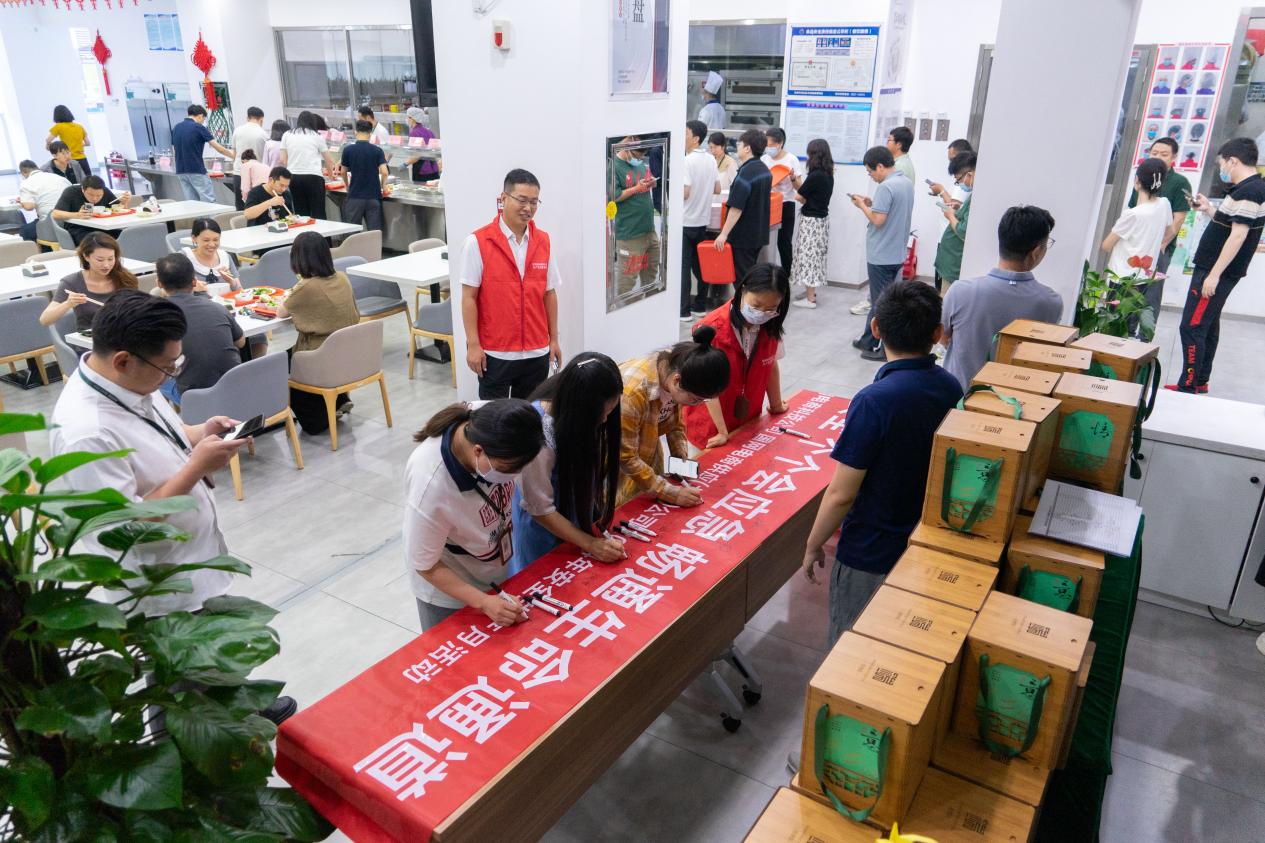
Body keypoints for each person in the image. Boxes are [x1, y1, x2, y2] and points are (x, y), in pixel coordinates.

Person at [48, 290, 296, 724]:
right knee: (179, 695)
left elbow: (163, 432)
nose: (171, 373)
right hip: (158, 583)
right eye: (167, 367)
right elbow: (121, 531)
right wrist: (195, 467)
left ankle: (239, 700)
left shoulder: (132, 383)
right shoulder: (86, 433)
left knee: (213, 646)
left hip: (192, 556)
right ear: (123, 360)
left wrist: (199, 432)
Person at [802, 281, 963, 643]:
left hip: (871, 552)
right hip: (924, 542)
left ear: (875, 327)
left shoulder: (874, 401)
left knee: (852, 647)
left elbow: (841, 493)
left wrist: (814, 543)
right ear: (937, 333)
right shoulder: (951, 387)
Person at [405, 399, 545, 630]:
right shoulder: (430, 485)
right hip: (449, 590)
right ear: (478, 451)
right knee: (460, 650)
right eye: (507, 469)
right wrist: (483, 602)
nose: (514, 476)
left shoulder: (495, 423)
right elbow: (425, 565)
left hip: (491, 568)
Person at [508, 352, 627, 575]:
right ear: (580, 406)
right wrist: (590, 544)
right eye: (603, 413)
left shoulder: (572, 405)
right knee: (545, 581)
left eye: (611, 412)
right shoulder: (536, 436)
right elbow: (541, 510)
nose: (604, 420)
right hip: (543, 527)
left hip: (573, 513)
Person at [1173, 137, 1265, 393]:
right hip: (1215, 269)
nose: (1222, 169)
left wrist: (1213, 275)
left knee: (1192, 326)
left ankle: (1188, 384)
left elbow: (1238, 236)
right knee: (1208, 325)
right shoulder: (1248, 189)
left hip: (1215, 271)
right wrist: (1208, 209)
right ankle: (1200, 381)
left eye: (1222, 163)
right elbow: (1231, 224)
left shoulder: (1249, 192)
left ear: (1233, 161)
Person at [461, 168, 562, 400]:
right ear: (503, 198)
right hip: (495, 353)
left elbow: (549, 293)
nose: (528, 208)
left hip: (537, 352)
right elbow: (469, 298)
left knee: (530, 414)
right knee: (493, 417)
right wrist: (473, 345)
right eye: (522, 200)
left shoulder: (543, 241)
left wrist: (554, 339)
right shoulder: (477, 242)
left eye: (534, 202)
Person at [941, 205, 1063, 389]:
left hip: (960, 400)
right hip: (1016, 402)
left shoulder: (960, 292)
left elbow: (943, 338)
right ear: (1036, 252)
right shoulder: (1051, 302)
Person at [617, 326, 730, 507]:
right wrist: (671, 494)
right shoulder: (632, 394)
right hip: (613, 466)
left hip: (646, 453)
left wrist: (681, 461)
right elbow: (626, 458)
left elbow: (675, 423)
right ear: (677, 380)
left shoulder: (678, 366)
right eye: (695, 399)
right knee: (621, 511)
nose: (696, 404)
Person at [684, 264, 789, 449]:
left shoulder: (771, 325)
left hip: (748, 420)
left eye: (771, 308)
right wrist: (722, 431)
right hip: (711, 427)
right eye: (756, 305)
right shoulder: (711, 329)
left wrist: (776, 404)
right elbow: (704, 386)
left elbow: (770, 363)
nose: (762, 314)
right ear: (743, 289)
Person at [275, 232, 361, 433]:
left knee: (280, 363)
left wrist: (293, 290)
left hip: (320, 355)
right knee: (299, 352)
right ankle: (339, 400)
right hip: (348, 349)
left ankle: (317, 417)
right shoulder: (342, 277)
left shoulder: (306, 286)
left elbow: (281, 312)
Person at [152, 253, 244, 401]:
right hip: (234, 386)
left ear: (159, 283)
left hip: (194, 397)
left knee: (154, 375)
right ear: (195, 281)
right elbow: (241, 342)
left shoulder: (156, 316)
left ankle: (175, 415)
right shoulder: (217, 307)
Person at [851, 146, 914, 361]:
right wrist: (872, 204)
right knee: (883, 299)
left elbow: (878, 220)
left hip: (881, 254)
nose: (871, 176)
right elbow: (891, 211)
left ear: (880, 166)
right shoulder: (906, 183)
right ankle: (868, 340)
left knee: (882, 305)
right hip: (896, 251)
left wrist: (862, 206)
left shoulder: (886, 186)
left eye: (870, 172)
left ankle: (886, 350)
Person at [1126, 137, 1191, 341]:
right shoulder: (1143, 177)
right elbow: (1134, 211)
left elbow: (1178, 219)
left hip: (1161, 249)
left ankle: (1145, 339)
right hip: (1137, 246)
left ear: (1174, 158)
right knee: (1130, 290)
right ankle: (1125, 333)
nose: (1158, 157)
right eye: (1154, 153)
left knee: (1151, 294)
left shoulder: (1179, 182)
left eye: (1164, 154)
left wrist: (1161, 245)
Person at [39, 231, 138, 331]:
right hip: (91, 337)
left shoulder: (125, 279)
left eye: (110, 259)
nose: (106, 265)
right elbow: (45, 320)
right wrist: (68, 304)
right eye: (100, 260)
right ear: (86, 256)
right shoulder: (71, 282)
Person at [714, 128, 772, 282]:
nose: (737, 147)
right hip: (758, 234)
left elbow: (736, 208)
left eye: (739, 144)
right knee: (750, 274)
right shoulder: (764, 169)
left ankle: (745, 298)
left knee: (742, 279)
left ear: (747, 149)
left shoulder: (746, 173)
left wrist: (724, 234)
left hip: (743, 236)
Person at [1102, 158, 1172, 280]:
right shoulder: (1164, 204)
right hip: (1144, 278)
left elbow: (1106, 246)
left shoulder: (1132, 214)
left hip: (1122, 278)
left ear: (1137, 181)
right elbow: (1170, 232)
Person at [610, 135, 660, 297]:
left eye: (642, 156)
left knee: (651, 276)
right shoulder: (614, 166)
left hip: (649, 230)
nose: (639, 159)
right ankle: (628, 311)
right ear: (629, 145)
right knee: (627, 284)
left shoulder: (639, 164)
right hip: (629, 234)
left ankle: (649, 307)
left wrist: (652, 182)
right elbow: (614, 196)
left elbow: (645, 180)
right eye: (637, 156)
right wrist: (636, 189)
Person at [790, 138, 835, 308]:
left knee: (808, 258)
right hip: (821, 222)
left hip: (811, 223)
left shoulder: (815, 176)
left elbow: (800, 196)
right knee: (814, 258)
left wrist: (796, 185)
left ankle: (810, 299)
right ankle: (810, 292)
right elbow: (805, 192)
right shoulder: (828, 174)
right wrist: (794, 180)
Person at [682, 119, 720, 320]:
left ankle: (683, 311)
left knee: (683, 268)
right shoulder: (711, 159)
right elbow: (717, 189)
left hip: (685, 221)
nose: (682, 136)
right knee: (701, 266)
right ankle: (699, 306)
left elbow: (685, 193)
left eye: (685, 133)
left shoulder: (687, 161)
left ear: (695, 138)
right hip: (702, 221)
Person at [762, 127, 807, 274]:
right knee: (764, 241)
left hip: (786, 204)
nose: (768, 148)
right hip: (767, 204)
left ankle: (787, 275)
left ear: (780, 143)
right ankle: (764, 273)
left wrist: (792, 178)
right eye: (766, 145)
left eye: (770, 145)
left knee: (784, 242)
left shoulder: (791, 159)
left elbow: (799, 187)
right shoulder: (764, 159)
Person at [171, 105, 234, 203]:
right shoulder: (198, 127)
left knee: (192, 203)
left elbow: (174, 150)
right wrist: (234, 156)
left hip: (181, 171)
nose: (203, 122)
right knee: (208, 202)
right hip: (196, 170)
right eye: (203, 119)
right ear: (200, 116)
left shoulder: (176, 127)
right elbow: (219, 148)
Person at [932, 152, 977, 290]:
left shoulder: (978, 196)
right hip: (950, 265)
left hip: (954, 269)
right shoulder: (974, 194)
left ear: (969, 174)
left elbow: (964, 231)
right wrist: (959, 209)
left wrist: (951, 216)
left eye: (958, 180)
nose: (960, 184)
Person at [279, 111, 336, 218]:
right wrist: (331, 176)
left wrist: (293, 167)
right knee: (318, 212)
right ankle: (321, 230)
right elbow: (329, 160)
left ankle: (304, 229)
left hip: (294, 177)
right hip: (314, 177)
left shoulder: (287, 134)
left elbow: (282, 159)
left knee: (301, 212)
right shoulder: (316, 136)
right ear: (312, 122)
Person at [340, 119, 390, 232]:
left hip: (355, 196)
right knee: (374, 233)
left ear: (355, 132)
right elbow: (384, 172)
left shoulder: (348, 150)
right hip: (373, 196)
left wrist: (347, 186)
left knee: (353, 232)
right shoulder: (377, 150)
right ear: (370, 134)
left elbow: (343, 172)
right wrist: (383, 186)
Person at [52, 176, 130, 246]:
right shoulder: (71, 191)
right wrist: (77, 215)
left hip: (102, 228)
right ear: (83, 190)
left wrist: (123, 202)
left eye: (99, 195)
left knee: (126, 237)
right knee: (97, 243)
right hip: (77, 228)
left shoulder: (105, 190)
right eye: (91, 195)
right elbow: (55, 214)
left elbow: (117, 209)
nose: (95, 199)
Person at [16, 159, 69, 242]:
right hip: (71, 220)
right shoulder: (59, 178)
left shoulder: (26, 183)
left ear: (23, 173)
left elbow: (29, 207)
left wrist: (22, 202)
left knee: (24, 231)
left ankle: (44, 248)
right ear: (37, 168)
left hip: (51, 222)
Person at [182, 218, 241, 291]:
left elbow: (240, 291)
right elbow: (169, 291)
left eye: (216, 240)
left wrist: (231, 281)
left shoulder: (225, 257)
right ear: (194, 238)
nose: (212, 244)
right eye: (206, 240)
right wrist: (191, 288)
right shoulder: (183, 258)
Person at [46, 105, 91, 174]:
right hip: (83, 159)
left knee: (73, 180)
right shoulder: (79, 126)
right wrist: (79, 144)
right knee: (88, 179)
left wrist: (48, 146)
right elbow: (88, 143)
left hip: (69, 160)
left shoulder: (58, 126)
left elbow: (48, 140)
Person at [405, 106, 439, 183]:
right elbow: (435, 151)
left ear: (412, 119)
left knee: (421, 190)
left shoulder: (414, 133)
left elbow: (417, 155)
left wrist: (405, 164)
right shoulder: (429, 132)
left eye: (408, 117)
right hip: (434, 170)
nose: (407, 119)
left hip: (422, 171)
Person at [231, 106, 268, 173]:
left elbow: (234, 154)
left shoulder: (237, 130)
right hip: (256, 173)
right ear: (261, 119)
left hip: (239, 171)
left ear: (247, 118)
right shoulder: (264, 134)